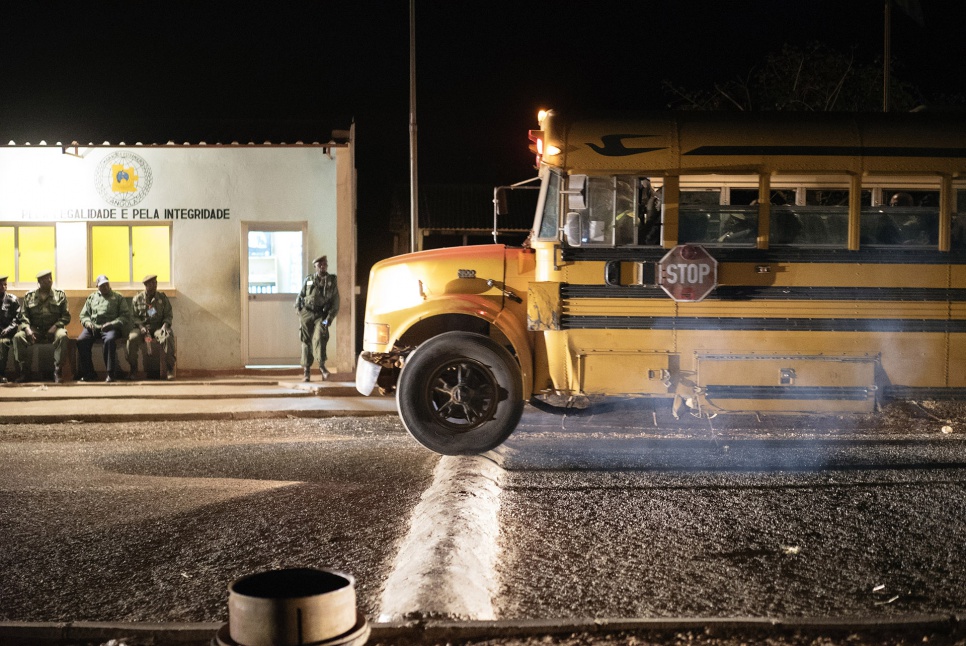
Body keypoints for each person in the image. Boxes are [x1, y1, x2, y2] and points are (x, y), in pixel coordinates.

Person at [13, 269, 71, 383]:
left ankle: (57, 371)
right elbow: (23, 316)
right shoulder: (29, 296)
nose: (49, 281)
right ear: (39, 282)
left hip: (55, 328)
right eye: (45, 279)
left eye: (50, 278)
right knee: (18, 337)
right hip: (35, 330)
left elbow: (66, 317)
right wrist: (27, 329)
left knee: (63, 336)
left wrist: (55, 326)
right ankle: (25, 371)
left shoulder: (60, 295)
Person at [77, 275, 131, 383]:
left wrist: (112, 324)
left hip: (110, 328)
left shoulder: (118, 297)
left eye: (107, 284)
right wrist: (88, 323)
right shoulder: (91, 298)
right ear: (97, 286)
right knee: (81, 341)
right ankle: (89, 373)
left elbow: (125, 316)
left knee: (110, 340)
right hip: (93, 327)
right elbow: (83, 315)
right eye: (102, 285)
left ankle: (111, 373)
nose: (105, 287)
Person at [296, 255, 339, 382]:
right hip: (307, 314)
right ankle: (306, 371)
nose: (322, 266)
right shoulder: (309, 280)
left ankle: (322, 367)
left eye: (324, 264)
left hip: (322, 315)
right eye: (319, 265)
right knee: (306, 341)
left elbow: (335, 303)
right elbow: (301, 295)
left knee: (320, 337)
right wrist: (299, 310)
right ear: (315, 266)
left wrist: (328, 319)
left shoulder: (331, 281)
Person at [126, 274, 175, 380]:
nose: (155, 285)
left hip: (158, 327)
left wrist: (165, 325)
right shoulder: (137, 299)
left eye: (155, 283)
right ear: (146, 285)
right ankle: (133, 369)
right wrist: (140, 326)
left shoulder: (162, 298)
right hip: (142, 328)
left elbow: (168, 314)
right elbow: (134, 317)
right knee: (132, 339)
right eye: (151, 283)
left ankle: (170, 369)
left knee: (167, 337)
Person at [0, 275, 21, 383]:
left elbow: (17, 318)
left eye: (5, 284)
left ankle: (1, 373)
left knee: (3, 343)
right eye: (1, 285)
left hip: (8, 334)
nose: (3, 287)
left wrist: (8, 329)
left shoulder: (12, 300)